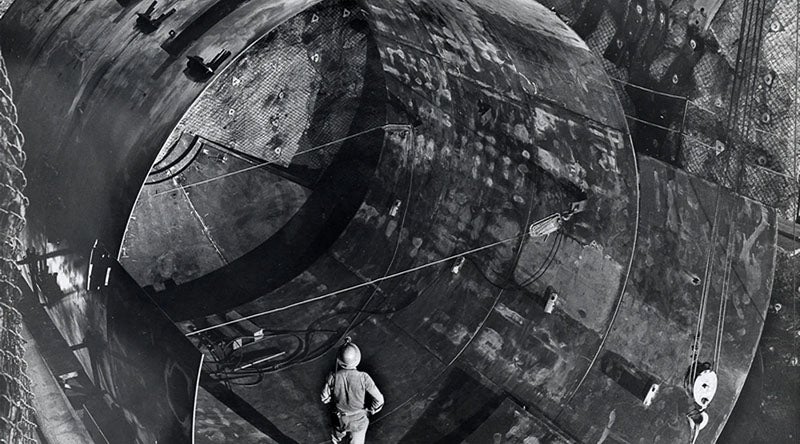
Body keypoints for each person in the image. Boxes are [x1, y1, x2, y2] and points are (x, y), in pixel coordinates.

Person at [321, 337, 384, 444]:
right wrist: (371, 410)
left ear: (340, 361)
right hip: (358, 421)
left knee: (337, 431)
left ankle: (336, 439)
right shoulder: (364, 377)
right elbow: (379, 400)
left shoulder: (333, 377)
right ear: (357, 359)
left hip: (341, 420)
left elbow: (324, 398)